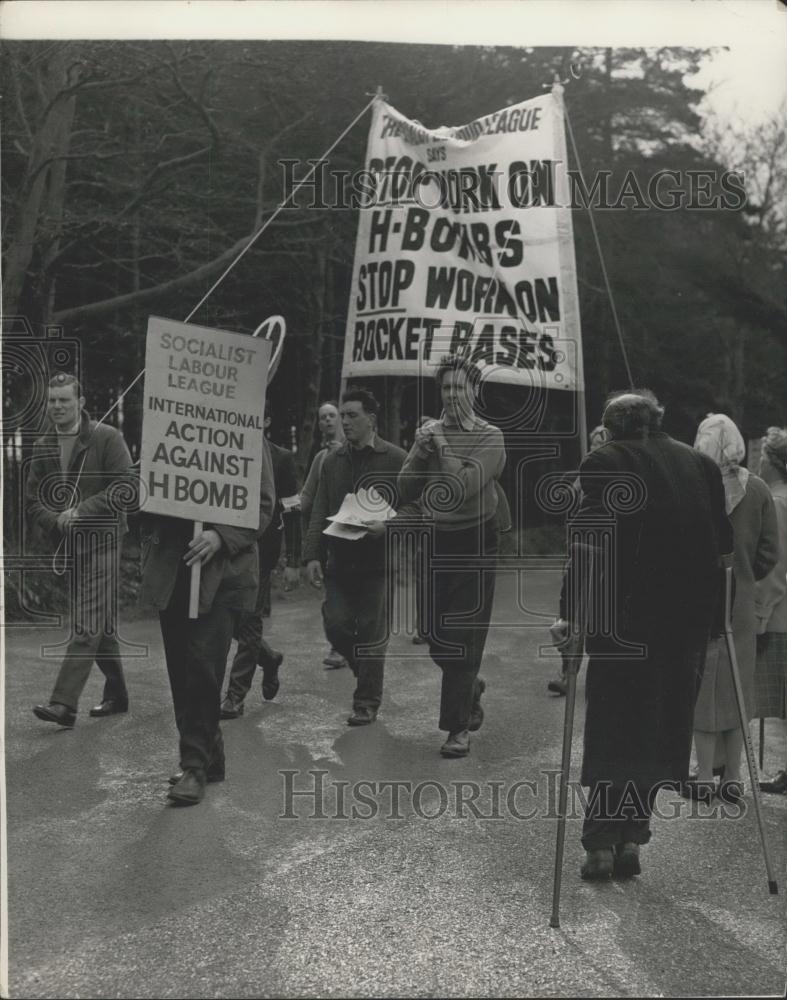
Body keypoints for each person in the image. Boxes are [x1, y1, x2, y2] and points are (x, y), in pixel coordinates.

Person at [556, 390, 732, 880]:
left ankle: (600, 843)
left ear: (612, 428)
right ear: (657, 421)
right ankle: (633, 835)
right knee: (660, 727)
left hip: (624, 623)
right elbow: (723, 548)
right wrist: (716, 620)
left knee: (615, 726)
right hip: (686, 627)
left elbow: (588, 542)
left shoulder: (605, 460)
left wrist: (571, 614)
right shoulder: (702, 465)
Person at [139, 445, 275, 805]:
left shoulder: (243, 432)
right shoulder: (167, 427)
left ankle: (194, 766)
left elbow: (261, 505)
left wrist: (220, 535)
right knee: (182, 671)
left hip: (222, 575)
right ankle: (209, 756)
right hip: (174, 569)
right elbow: (137, 502)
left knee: (202, 666)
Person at [397, 355, 506, 758]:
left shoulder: (490, 437)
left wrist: (440, 444)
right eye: (446, 388)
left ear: (474, 391)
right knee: (435, 636)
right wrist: (419, 451)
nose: (452, 395)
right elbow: (406, 488)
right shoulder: (429, 433)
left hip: (476, 541)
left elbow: (464, 487)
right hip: (437, 540)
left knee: (462, 638)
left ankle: (457, 728)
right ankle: (469, 686)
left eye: (460, 387)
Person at [29, 373, 133, 728]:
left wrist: (82, 511)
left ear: (81, 403)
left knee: (87, 622)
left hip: (104, 539)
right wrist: (56, 520)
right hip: (69, 544)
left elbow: (125, 488)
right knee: (98, 623)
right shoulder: (42, 446)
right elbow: (32, 503)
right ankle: (117, 693)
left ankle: (63, 704)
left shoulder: (106, 438)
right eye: (53, 401)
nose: (57, 406)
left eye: (65, 401)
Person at [685, 414, 778, 803]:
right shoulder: (757, 489)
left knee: (705, 688)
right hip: (740, 601)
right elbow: (770, 551)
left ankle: (704, 776)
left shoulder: (693, 486)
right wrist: (745, 573)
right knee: (739, 688)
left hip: (700, 598)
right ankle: (734, 777)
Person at [303, 388, 407, 726]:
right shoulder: (332, 460)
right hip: (340, 560)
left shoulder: (396, 459)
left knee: (373, 634)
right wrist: (312, 554)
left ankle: (366, 702)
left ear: (371, 420)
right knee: (336, 625)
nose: (344, 422)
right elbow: (320, 507)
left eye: (351, 415)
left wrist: (389, 526)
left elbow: (414, 508)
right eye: (342, 415)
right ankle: (365, 669)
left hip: (378, 562)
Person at [220, 402, 300, 718]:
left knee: (250, 621)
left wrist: (293, 560)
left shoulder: (281, 458)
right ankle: (268, 658)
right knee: (230, 621)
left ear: (266, 421)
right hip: (226, 549)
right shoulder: (226, 452)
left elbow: (292, 512)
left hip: (262, 554)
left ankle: (235, 696)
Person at [548, 422, 611, 696]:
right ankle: (567, 672)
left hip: (606, 558)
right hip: (577, 554)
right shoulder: (580, 476)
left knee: (599, 617)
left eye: (602, 444)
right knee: (568, 617)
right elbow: (565, 508)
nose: (596, 448)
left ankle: (601, 678)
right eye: (594, 444)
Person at [300, 400, 348, 669]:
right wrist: (283, 507)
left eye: (332, 416)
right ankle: (338, 647)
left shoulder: (355, 451)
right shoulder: (320, 458)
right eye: (323, 417)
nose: (328, 420)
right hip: (330, 538)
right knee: (333, 598)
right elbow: (307, 497)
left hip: (356, 535)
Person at [753, 427, 787, 794]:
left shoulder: (777, 502)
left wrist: (759, 614)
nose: (758, 461)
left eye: (763, 455)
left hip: (780, 615)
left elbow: (775, 566)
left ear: (775, 462)